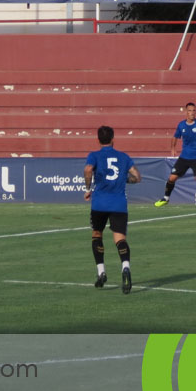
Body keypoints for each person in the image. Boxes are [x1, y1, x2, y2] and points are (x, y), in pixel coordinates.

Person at [84, 125, 141, 294]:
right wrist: (125, 180)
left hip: (99, 204)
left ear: (98, 140)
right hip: (118, 204)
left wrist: (88, 188)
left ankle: (101, 272)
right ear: (113, 139)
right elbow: (137, 177)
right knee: (120, 239)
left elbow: (88, 169)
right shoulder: (123, 157)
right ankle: (125, 267)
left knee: (96, 235)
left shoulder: (94, 155)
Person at [155, 102, 196, 209]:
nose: (192, 113)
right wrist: (173, 148)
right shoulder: (181, 125)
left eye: (194, 110)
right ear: (186, 112)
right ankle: (166, 198)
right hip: (184, 157)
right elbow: (175, 137)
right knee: (172, 178)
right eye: (190, 110)